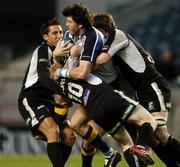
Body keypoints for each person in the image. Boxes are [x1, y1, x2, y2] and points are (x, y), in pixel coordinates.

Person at [93, 13, 180, 167]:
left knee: (160, 133)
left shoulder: (117, 35)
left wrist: (81, 59)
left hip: (153, 85)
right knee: (153, 139)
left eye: (94, 31)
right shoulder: (114, 46)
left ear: (102, 29)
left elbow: (101, 60)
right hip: (142, 91)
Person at [18, 18, 76, 167]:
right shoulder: (43, 50)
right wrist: (64, 93)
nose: (59, 36)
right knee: (52, 130)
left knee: (69, 136)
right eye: (54, 33)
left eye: (61, 32)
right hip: (31, 99)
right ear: (45, 37)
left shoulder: (63, 54)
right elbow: (44, 78)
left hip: (48, 100)